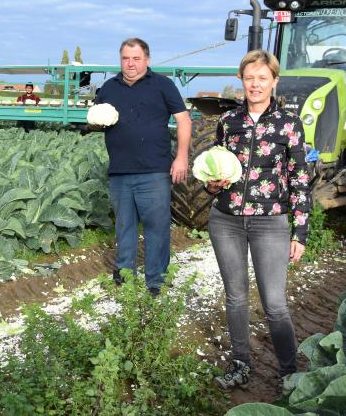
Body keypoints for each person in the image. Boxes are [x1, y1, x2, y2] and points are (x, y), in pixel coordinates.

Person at [206, 50, 311, 390]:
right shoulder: (228, 122)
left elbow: (298, 179)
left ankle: (289, 372)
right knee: (235, 297)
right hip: (226, 219)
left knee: (275, 303)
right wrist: (212, 184)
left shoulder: (288, 124)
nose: (255, 84)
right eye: (250, 77)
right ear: (242, 80)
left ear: (274, 82)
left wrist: (300, 232)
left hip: (270, 222)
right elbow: (215, 168)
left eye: (262, 78)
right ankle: (240, 364)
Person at [95, 37, 191, 296]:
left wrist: (181, 157)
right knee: (124, 226)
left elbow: (184, 120)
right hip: (120, 171)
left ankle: (156, 282)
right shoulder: (108, 87)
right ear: (120, 60)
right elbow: (96, 120)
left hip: (155, 170)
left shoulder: (163, 85)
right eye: (126, 58)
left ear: (147, 60)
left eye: (136, 58)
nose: (131, 64)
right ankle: (125, 276)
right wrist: (94, 121)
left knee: (156, 227)